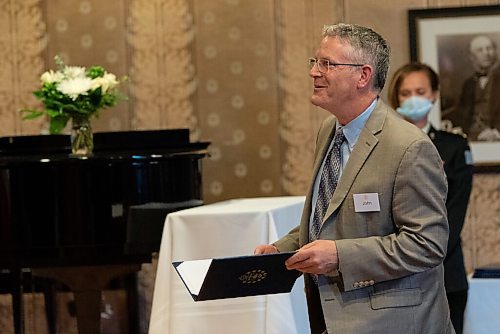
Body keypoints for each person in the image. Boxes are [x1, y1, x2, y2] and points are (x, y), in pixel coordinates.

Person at [255, 23, 454, 334]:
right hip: (331, 318)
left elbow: (426, 244)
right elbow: (333, 217)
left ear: (363, 75)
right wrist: (285, 249)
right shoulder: (327, 132)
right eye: (315, 62)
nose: (314, 72)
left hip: (394, 324)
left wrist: (339, 256)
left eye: (327, 64)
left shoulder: (409, 147)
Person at [388, 62, 474, 334]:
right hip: (394, 275)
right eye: (405, 93)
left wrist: (421, 254)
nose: (413, 98)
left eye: (420, 90)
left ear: (434, 94)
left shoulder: (455, 146)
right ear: (395, 98)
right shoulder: (383, 146)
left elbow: (455, 212)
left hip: (446, 273)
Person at [445, 35, 500, 140]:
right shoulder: (468, 84)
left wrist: (496, 132)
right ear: (472, 57)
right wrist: (448, 121)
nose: (486, 53)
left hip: (493, 135)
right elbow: (460, 110)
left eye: (489, 48)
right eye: (480, 50)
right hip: (470, 134)